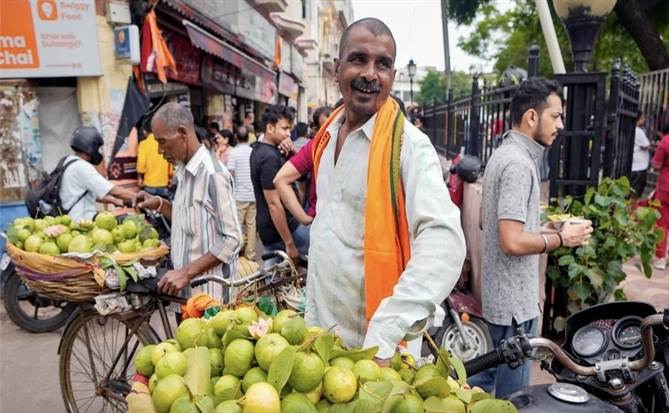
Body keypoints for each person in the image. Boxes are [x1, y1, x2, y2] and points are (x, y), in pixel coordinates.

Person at [304, 18, 466, 363]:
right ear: (337, 68)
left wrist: (387, 331)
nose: (370, 74)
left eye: (383, 64)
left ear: (392, 75)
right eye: (359, 59)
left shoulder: (410, 147)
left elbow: (444, 243)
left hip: (378, 353)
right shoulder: (327, 136)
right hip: (319, 340)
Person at [474, 78, 593, 397]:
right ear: (531, 117)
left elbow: (490, 223)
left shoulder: (503, 153)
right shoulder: (518, 163)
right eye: (555, 116)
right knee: (514, 400)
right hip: (514, 306)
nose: (560, 125)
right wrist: (561, 239)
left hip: (502, 300)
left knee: (481, 384)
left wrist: (545, 231)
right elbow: (511, 241)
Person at [134, 102, 241, 298]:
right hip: (182, 292)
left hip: (209, 298)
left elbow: (232, 239)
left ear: (183, 133)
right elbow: (190, 220)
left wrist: (186, 272)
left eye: (162, 141)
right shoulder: (182, 171)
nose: (159, 150)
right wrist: (158, 203)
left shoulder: (213, 175)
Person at [250, 105, 309, 260]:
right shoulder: (269, 157)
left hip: (271, 230)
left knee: (277, 280)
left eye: (290, 129)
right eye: (284, 129)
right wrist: (289, 243)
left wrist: (293, 154)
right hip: (285, 230)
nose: (288, 134)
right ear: (270, 128)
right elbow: (274, 203)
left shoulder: (261, 150)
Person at [59, 127, 136, 221]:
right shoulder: (83, 167)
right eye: (97, 148)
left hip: (71, 219)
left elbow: (82, 193)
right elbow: (113, 190)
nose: (98, 152)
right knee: (130, 221)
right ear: (91, 146)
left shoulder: (67, 162)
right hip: (83, 222)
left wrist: (114, 201)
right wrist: (140, 197)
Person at [227, 125, 257, 261]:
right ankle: (250, 254)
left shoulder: (234, 152)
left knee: (237, 225)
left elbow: (230, 174)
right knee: (251, 225)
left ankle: (237, 253)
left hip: (239, 195)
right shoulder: (253, 151)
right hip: (253, 195)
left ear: (236, 137)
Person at [650, 123, 669, 270]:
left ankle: (660, 258)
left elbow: (656, 164)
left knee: (661, 223)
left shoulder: (666, 141)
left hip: (666, 187)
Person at [137, 123, 172, 199]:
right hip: (163, 183)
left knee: (150, 208)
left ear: (144, 131)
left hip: (149, 184)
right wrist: (170, 177)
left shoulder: (144, 144)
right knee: (164, 208)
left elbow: (141, 164)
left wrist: (140, 178)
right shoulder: (163, 143)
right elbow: (170, 163)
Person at [631, 111, 650, 198]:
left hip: (632, 165)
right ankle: (631, 211)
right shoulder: (638, 131)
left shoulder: (630, 129)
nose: (644, 120)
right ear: (637, 119)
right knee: (635, 194)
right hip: (639, 167)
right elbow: (646, 145)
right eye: (642, 118)